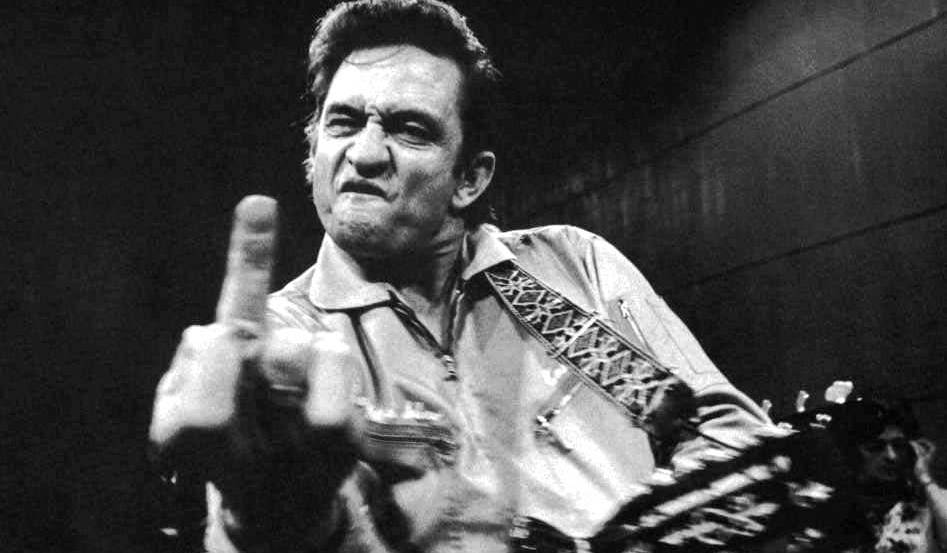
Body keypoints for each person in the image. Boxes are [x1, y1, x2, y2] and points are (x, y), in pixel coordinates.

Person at [148, 1, 769, 551]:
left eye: (408, 129)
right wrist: (270, 518)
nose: (364, 153)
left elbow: (727, 436)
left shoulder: (571, 267)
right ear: (314, 153)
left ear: (469, 178)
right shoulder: (285, 344)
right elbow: (272, 520)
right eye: (343, 123)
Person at [827, 399, 947, 553]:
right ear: (853, 454)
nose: (891, 456)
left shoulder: (929, 499)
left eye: (899, 446)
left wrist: (925, 479)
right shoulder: (840, 510)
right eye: (875, 447)